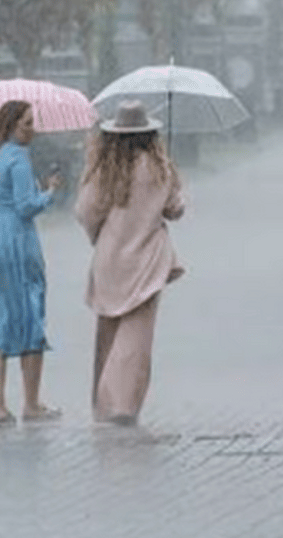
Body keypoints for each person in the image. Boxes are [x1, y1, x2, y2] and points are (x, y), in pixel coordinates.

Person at [75, 100, 186, 427]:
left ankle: (102, 402)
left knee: (108, 331)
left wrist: (100, 232)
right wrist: (172, 183)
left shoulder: (105, 170)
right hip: (148, 258)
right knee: (136, 334)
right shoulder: (159, 169)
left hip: (110, 256)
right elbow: (176, 210)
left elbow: (85, 211)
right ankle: (122, 403)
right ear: (150, 135)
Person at [0, 100, 65, 428]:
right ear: (11, 125)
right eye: (27, 123)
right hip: (12, 241)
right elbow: (24, 207)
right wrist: (49, 192)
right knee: (28, 313)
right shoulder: (17, 157)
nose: (32, 129)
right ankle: (31, 403)